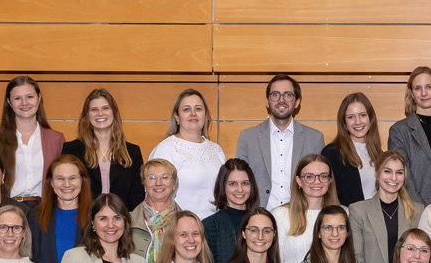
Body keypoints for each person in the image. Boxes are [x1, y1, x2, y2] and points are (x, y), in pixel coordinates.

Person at [237, 74, 326, 212]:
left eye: (288, 95)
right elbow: (239, 181)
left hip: (301, 216)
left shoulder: (315, 138)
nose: (281, 100)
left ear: (297, 102)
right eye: (275, 94)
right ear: (267, 101)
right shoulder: (248, 137)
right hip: (259, 217)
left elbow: (321, 182)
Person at [0, 76, 63, 205]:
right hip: (5, 210)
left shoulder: (56, 139)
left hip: (44, 212)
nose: (24, 103)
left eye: (30, 97)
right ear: (9, 102)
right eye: (17, 98)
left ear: (39, 98)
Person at [148, 89, 225, 218]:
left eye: (198, 109)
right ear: (177, 117)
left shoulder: (216, 150)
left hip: (214, 231)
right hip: (181, 231)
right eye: (186, 109)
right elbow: (154, 197)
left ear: (205, 115)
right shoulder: (166, 149)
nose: (193, 113)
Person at [67, 88, 145, 211]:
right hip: (83, 223)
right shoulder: (72, 150)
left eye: (105, 108)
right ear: (87, 115)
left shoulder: (133, 152)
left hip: (120, 224)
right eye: (94, 109)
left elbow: (137, 199)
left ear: (114, 112)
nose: (100, 113)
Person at [347, 150, 417, 263]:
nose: (394, 178)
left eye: (399, 172)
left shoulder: (417, 210)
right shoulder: (358, 211)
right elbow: (356, 259)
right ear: (376, 174)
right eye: (387, 171)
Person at [391, 66, 431, 205]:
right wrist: (422, 211)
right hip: (414, 211)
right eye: (418, 88)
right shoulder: (399, 131)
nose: (424, 93)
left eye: (429, 87)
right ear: (411, 93)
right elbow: (402, 175)